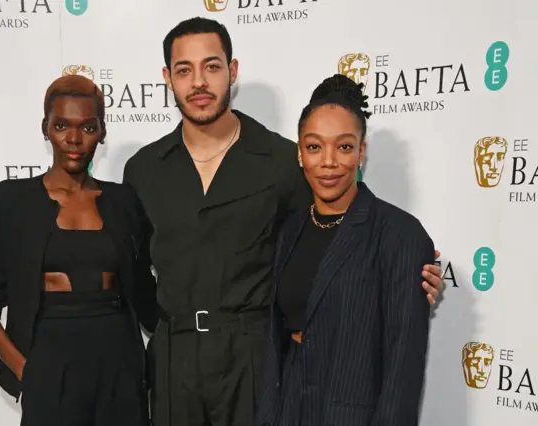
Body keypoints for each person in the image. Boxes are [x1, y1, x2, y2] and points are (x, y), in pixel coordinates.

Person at [122, 17, 444, 426]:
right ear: (168, 78)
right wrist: (173, 326)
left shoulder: (284, 161)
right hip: (173, 361)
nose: (199, 82)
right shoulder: (143, 169)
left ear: (232, 71)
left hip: (256, 362)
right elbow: (133, 271)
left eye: (212, 66)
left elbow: (331, 237)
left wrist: (409, 276)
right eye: (185, 70)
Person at [0, 75, 157, 426]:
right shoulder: (9, 201)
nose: (73, 139)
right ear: (46, 128)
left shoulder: (123, 201)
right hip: (49, 361)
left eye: (87, 127)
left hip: (120, 361)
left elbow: (145, 289)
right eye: (61, 126)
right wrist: (25, 369)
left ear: (102, 132)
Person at [256, 74, 434, 426]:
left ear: (361, 152)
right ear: (299, 152)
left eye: (344, 146)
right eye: (314, 146)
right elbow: (275, 339)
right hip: (288, 408)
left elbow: (403, 367)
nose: (329, 162)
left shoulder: (400, 234)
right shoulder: (288, 229)